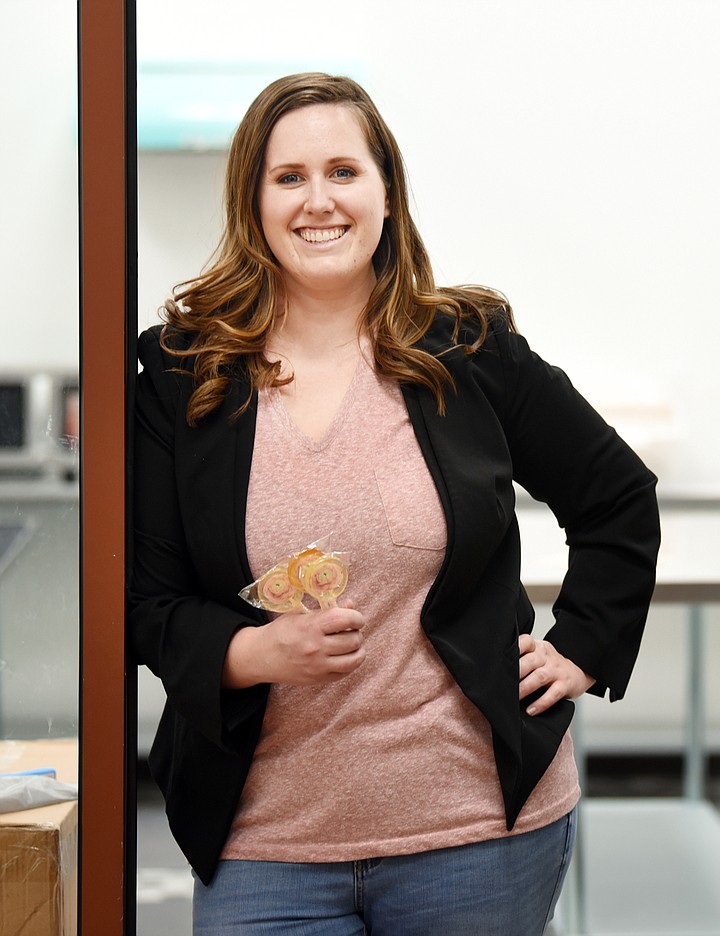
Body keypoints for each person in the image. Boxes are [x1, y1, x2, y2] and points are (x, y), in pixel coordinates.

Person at [129, 72, 660, 935]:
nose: (318, 201)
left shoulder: (473, 350)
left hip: (477, 835)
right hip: (266, 844)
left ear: (385, 193)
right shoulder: (186, 373)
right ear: (252, 201)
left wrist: (585, 646)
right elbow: (146, 604)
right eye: (288, 177)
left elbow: (617, 497)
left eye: (344, 171)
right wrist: (252, 653)